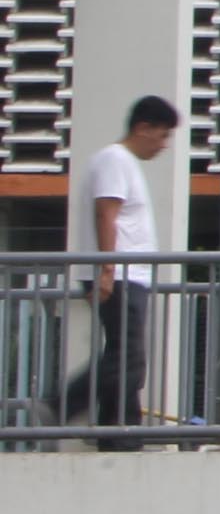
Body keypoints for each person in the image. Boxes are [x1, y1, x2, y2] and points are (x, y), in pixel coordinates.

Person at [71, 96, 175, 429]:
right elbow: (107, 213)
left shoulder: (122, 162)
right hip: (120, 276)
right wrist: (107, 269)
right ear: (142, 128)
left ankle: (117, 430)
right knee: (127, 357)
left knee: (125, 356)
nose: (164, 145)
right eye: (162, 135)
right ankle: (103, 423)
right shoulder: (114, 160)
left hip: (126, 275)